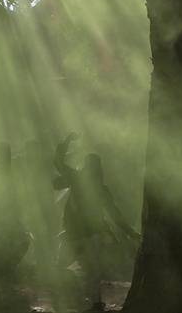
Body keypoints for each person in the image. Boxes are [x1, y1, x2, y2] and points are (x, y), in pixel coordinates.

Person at [53, 133, 139, 312]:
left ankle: (92, 303)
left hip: (82, 236)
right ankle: (89, 302)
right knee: (88, 271)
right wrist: (129, 231)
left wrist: (66, 142)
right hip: (84, 236)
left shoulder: (80, 181)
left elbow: (58, 161)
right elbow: (114, 214)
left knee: (85, 270)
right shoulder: (98, 188)